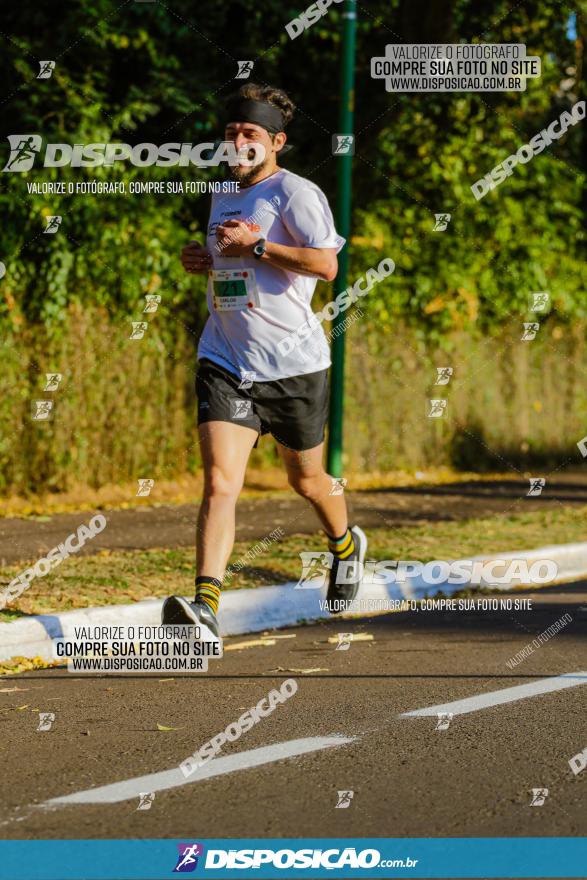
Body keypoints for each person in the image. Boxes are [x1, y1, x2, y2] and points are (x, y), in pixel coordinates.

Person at [162, 83, 366, 639]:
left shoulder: (297, 193)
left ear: (276, 141)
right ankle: (205, 606)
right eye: (230, 133)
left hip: (293, 362)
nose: (238, 142)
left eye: (250, 133)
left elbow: (325, 266)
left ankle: (344, 546)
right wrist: (203, 261)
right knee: (220, 482)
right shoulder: (222, 190)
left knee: (307, 481)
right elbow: (232, 266)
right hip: (225, 355)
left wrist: (257, 247)